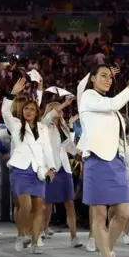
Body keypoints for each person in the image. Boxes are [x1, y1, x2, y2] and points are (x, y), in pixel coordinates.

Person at [77, 64, 129, 257]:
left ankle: (107, 248)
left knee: (124, 214)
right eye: (103, 76)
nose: (108, 80)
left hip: (116, 162)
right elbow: (114, 101)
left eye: (110, 77)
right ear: (92, 79)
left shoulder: (111, 108)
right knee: (99, 216)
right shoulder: (88, 96)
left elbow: (112, 126)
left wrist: (128, 144)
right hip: (97, 161)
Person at [2, 77, 56, 254]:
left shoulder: (42, 128)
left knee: (38, 207)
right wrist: (12, 93)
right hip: (21, 170)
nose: (28, 111)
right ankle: (22, 234)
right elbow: (5, 112)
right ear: (22, 110)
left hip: (39, 171)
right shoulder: (16, 125)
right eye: (26, 108)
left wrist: (52, 167)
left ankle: (34, 241)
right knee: (24, 206)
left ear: (36, 112)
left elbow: (47, 149)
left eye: (32, 109)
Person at [41, 98, 83, 248]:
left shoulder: (64, 127)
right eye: (58, 109)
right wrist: (64, 104)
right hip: (51, 168)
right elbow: (46, 117)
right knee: (46, 204)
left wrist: (80, 153)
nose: (61, 111)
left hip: (65, 169)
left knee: (69, 203)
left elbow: (69, 147)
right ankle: (42, 229)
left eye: (62, 109)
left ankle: (74, 237)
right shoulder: (45, 125)